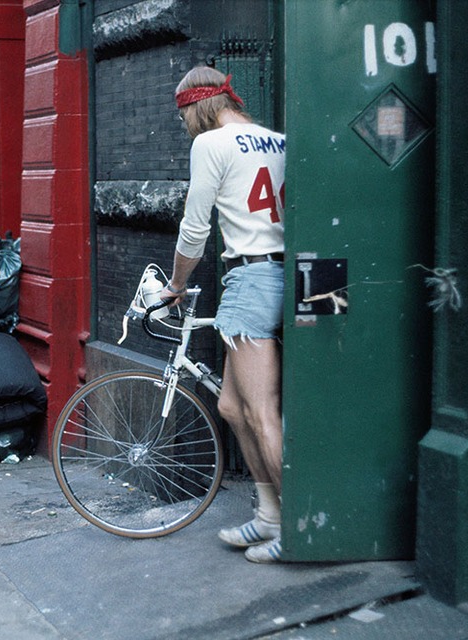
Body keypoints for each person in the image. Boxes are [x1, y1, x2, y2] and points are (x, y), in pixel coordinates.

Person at [161, 66, 286, 563]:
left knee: (261, 412)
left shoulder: (210, 145)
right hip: (280, 272)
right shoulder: (278, 140)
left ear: (196, 108)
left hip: (251, 276)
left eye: (184, 117)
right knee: (232, 406)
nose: (186, 126)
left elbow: (195, 229)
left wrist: (176, 283)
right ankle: (270, 516)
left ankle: (298, 527)